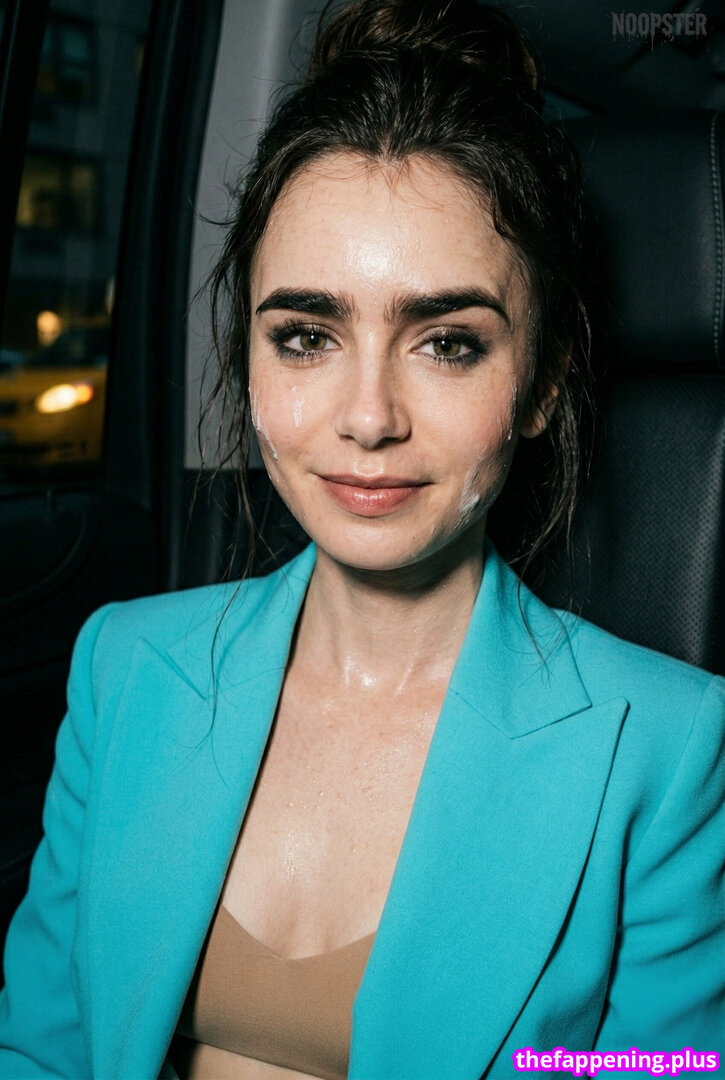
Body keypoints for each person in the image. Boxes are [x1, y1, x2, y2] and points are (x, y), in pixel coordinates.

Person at [1, 1, 723, 1078]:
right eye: (306, 336)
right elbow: (40, 1051)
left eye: (446, 343)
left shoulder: (665, 751)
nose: (369, 418)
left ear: (539, 386)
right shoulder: (123, 665)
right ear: (247, 360)